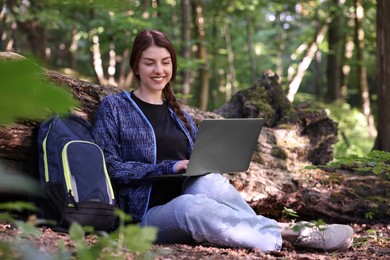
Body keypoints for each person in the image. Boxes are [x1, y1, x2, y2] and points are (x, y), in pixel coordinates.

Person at [92, 29, 354, 252]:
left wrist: (209, 161)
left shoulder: (179, 114)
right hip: (142, 217)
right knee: (190, 206)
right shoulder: (115, 107)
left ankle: (277, 233)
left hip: (189, 197)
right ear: (136, 66)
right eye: (150, 62)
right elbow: (109, 167)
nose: (159, 70)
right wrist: (169, 167)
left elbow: (197, 165)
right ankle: (295, 233)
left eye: (165, 62)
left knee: (210, 182)